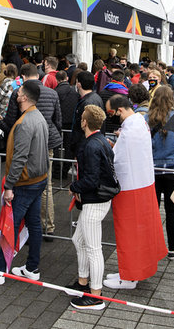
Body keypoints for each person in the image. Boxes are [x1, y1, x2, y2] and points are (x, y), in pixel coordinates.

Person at [0, 80, 49, 285]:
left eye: (19, 93)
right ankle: (32, 267)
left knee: (12, 225)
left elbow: (19, 158)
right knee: (33, 224)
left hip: (26, 182)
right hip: (38, 179)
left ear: (25, 97)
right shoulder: (37, 117)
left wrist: (9, 186)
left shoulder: (25, 122)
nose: (16, 95)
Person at [103, 95, 167, 290]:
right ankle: (128, 271)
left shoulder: (130, 130)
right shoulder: (140, 121)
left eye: (111, 113)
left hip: (130, 187)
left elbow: (119, 160)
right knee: (138, 231)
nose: (112, 116)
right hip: (142, 183)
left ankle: (130, 276)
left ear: (119, 110)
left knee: (129, 231)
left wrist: (110, 151)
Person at [0, 63, 62, 240]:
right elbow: (58, 120)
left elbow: (11, 121)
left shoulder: (20, 94)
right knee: (45, 185)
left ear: (24, 77)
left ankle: (23, 231)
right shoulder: (52, 93)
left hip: (25, 143)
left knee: (25, 184)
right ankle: (48, 227)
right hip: (48, 142)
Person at [67, 105, 116, 310]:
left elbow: (91, 179)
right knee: (79, 239)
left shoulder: (91, 145)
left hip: (94, 200)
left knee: (94, 248)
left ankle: (96, 295)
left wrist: (74, 186)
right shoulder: (102, 141)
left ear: (84, 122)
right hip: (96, 199)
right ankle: (83, 282)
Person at [145, 86, 174, 258]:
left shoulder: (146, 118)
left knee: (153, 209)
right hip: (173, 168)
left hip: (153, 167)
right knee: (172, 210)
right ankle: (172, 249)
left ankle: (152, 246)